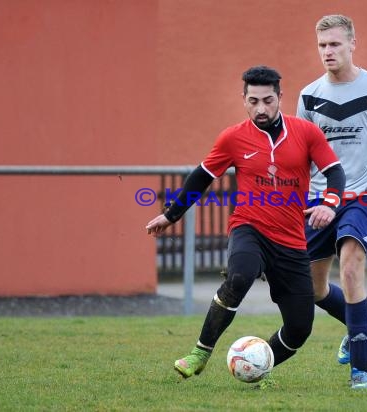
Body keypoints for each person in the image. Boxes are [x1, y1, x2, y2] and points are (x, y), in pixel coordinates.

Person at [146, 66, 346, 383]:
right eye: (253, 101)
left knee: (299, 329)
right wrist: (172, 215)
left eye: (268, 100)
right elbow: (201, 178)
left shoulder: (306, 133)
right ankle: (200, 353)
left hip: (292, 240)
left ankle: (254, 362)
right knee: (239, 277)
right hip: (249, 227)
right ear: (243, 99)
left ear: (281, 97)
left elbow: (335, 173)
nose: (260, 109)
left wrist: (329, 204)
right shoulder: (233, 137)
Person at [297, 15, 367, 390]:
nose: (327, 52)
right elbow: (298, 161)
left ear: (352, 44)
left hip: (363, 194)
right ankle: (360, 319)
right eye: (322, 45)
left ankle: (361, 371)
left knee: (350, 270)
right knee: (312, 289)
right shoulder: (309, 95)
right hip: (318, 197)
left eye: (334, 44)